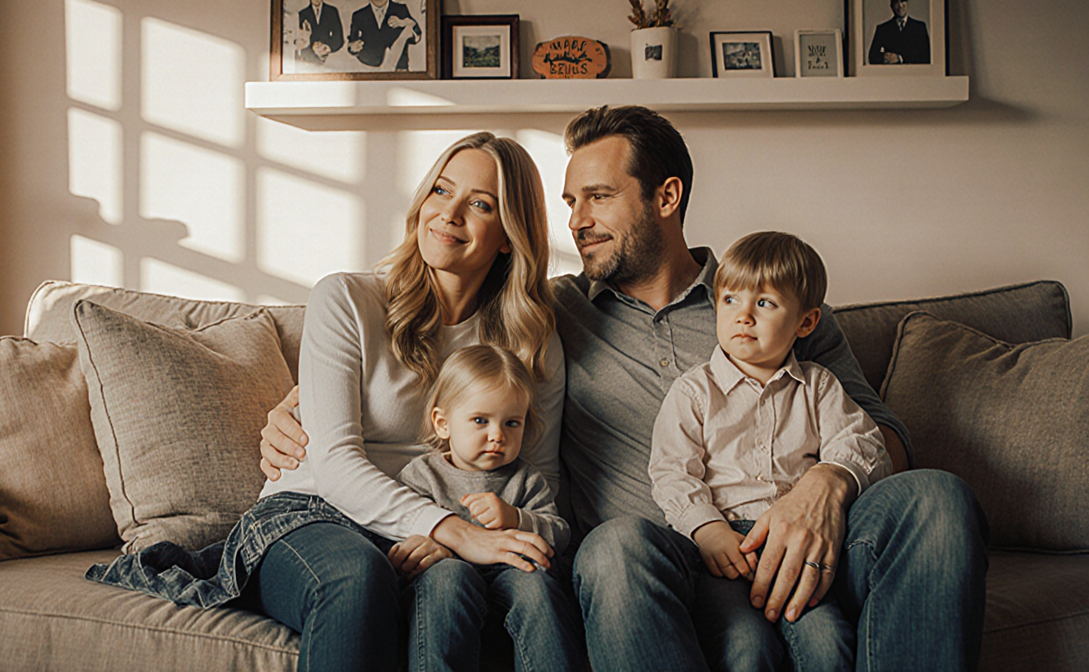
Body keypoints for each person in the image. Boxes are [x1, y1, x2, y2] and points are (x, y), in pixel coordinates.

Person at [262, 105, 989, 671]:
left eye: (599, 198)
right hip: (659, 553)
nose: (576, 221)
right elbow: (457, 368)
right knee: (611, 549)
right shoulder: (549, 314)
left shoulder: (764, 305)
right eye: (571, 201)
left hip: (798, 536)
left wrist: (827, 485)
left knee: (938, 495)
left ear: (666, 196)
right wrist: (300, 403)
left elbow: (887, 437)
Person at [88, 131, 565, 672]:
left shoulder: (531, 336)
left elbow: (541, 478)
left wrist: (459, 536)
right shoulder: (347, 300)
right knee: (356, 577)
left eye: (479, 204)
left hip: (435, 528)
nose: (449, 213)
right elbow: (336, 466)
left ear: (509, 235)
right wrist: (450, 530)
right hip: (312, 514)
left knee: (522, 587)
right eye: (440, 190)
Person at [649, 231, 889, 672]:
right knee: (745, 646)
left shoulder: (818, 386)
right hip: (724, 546)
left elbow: (863, 442)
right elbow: (671, 471)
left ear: (806, 322)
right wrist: (706, 530)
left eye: (764, 304)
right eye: (730, 300)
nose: (743, 316)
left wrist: (828, 481)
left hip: (798, 544)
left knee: (828, 641)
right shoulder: (694, 391)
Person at [395, 343, 583, 671]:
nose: (497, 435)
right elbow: (397, 534)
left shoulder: (524, 479)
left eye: (512, 423)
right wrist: (429, 544)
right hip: (448, 579)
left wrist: (516, 518)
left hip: (511, 577)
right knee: (445, 579)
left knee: (537, 586)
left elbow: (559, 533)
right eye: (480, 420)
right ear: (443, 423)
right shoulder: (423, 476)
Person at [348, 0, 420, 70]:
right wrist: (353, 48)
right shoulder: (358, 15)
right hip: (368, 68)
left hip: (398, 68)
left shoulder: (400, 9)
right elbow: (352, 43)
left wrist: (405, 23)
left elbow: (416, 38)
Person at [868, 0, 931, 64]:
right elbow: (872, 57)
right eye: (896, 2)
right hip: (891, 72)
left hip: (914, 72)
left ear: (907, 3)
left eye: (903, 1)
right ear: (891, 6)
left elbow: (926, 56)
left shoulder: (919, 28)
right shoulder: (882, 29)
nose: (900, 5)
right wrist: (885, 57)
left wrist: (900, 58)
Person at [294, 0, 344, 65]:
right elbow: (298, 40)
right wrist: (312, 47)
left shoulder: (332, 11)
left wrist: (327, 47)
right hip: (308, 59)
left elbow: (339, 38)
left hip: (330, 58)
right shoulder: (302, 14)